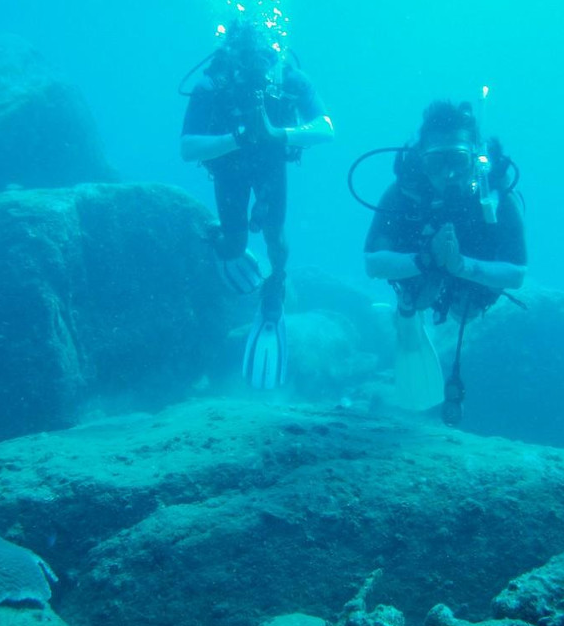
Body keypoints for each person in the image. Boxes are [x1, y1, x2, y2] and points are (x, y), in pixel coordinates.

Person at [181, 21, 334, 389]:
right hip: (229, 168)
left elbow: (327, 128)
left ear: (273, 54)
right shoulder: (211, 86)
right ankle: (220, 238)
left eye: (264, 56)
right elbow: (187, 148)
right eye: (248, 57)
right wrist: (239, 138)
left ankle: (275, 284)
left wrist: (278, 133)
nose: (257, 65)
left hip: (270, 163)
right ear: (232, 57)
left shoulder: (289, 79)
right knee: (234, 246)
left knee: (275, 237)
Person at [363, 100, 527, 424]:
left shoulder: (497, 197)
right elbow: (373, 262)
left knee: (466, 310)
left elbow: (517, 272)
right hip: (420, 265)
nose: (448, 173)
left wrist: (462, 265)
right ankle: (408, 309)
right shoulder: (403, 193)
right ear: (421, 160)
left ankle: (421, 304)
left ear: (476, 157)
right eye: (436, 162)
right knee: (420, 298)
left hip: (470, 271)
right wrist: (426, 259)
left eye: (458, 160)